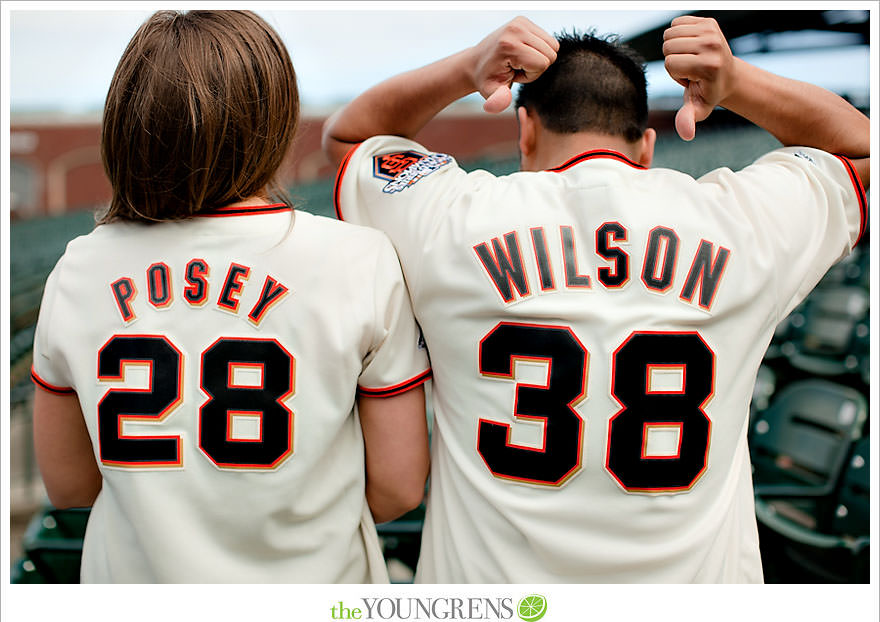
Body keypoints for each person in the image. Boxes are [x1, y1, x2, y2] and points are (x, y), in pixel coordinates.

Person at [322, 15, 868, 582]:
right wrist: (734, 82)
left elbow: (349, 140)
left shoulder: (455, 217)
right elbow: (862, 148)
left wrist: (468, 68)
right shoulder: (736, 220)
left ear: (525, 129)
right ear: (648, 144)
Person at [31, 10, 431, 583]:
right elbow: (397, 487)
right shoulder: (358, 256)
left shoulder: (80, 265)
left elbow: (69, 484)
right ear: (274, 118)